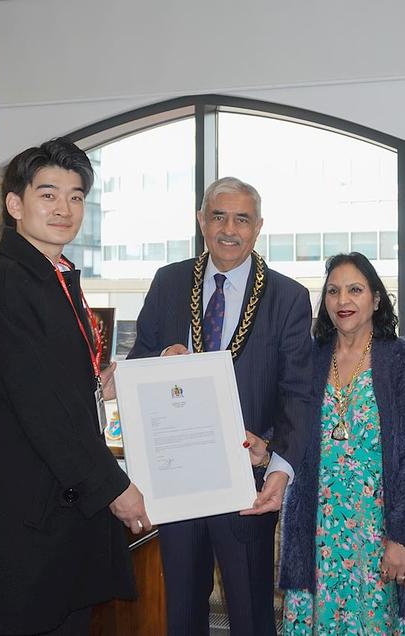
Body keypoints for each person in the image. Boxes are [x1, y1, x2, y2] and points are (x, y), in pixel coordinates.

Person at [0, 139, 150, 636]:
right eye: (49, 194)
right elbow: (41, 407)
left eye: (76, 197)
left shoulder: (53, 277)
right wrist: (114, 487)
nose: (64, 209)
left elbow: (47, 381)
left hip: (57, 514)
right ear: (15, 204)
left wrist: (99, 384)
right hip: (22, 523)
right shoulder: (5, 281)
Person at [129, 176, 313, 636]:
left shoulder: (288, 296)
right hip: (177, 480)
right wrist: (161, 358)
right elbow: (138, 362)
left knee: (251, 615)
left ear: (258, 227)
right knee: (182, 612)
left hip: (246, 481)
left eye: (242, 219)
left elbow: (298, 393)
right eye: (219, 216)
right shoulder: (169, 282)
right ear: (201, 221)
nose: (229, 229)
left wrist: (278, 465)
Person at [278, 252, 405, 634]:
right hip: (318, 533)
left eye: (355, 290)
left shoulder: (404, 364)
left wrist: (403, 538)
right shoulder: (310, 359)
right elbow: (289, 428)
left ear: (376, 299)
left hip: (378, 534)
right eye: (333, 291)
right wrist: (265, 448)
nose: (342, 301)